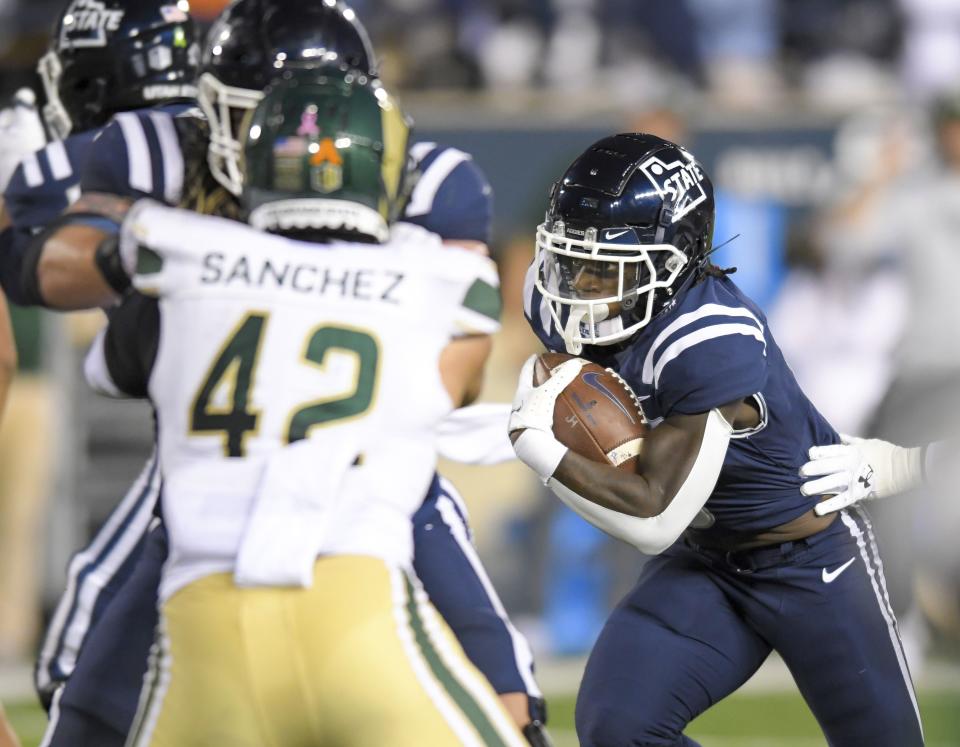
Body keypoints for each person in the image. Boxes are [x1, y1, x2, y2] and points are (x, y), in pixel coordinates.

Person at [29, 2, 548, 743]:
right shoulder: (427, 259)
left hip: (214, 555)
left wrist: (164, 267)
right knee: (504, 706)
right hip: (330, 546)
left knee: (87, 699)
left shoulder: (175, 244)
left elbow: (115, 360)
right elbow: (451, 377)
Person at [510, 132, 924, 746]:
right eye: (572, 259)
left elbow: (654, 516)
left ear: (673, 258)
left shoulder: (710, 337)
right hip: (709, 563)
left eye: (604, 266)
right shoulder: (566, 305)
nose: (581, 282)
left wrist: (536, 443)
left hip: (813, 562)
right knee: (618, 729)